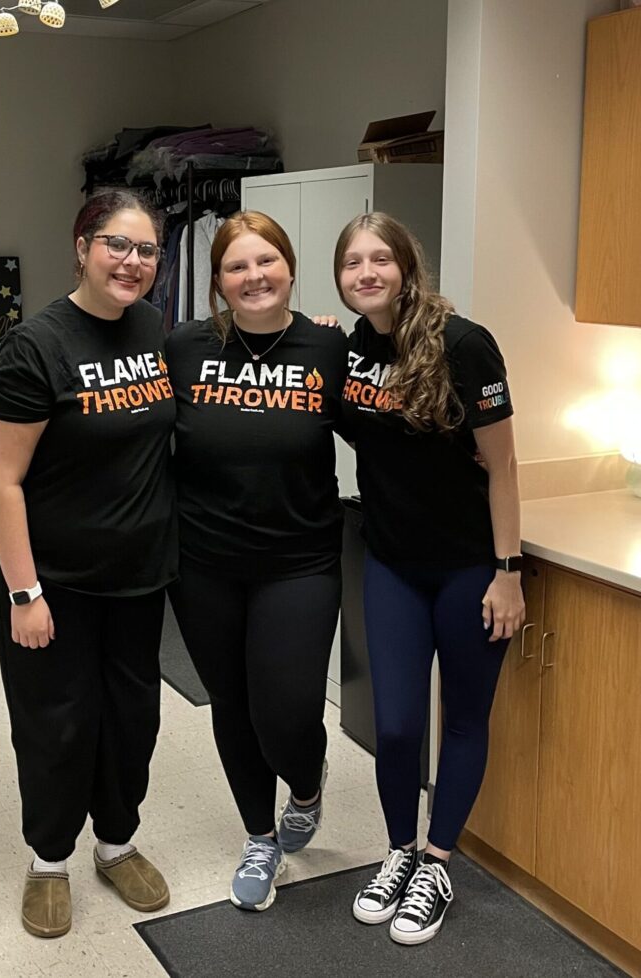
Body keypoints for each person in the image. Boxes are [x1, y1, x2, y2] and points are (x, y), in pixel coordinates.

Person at [0, 190, 176, 938]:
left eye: (147, 250)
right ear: (82, 246)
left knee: (133, 720)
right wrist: (24, 590)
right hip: (51, 580)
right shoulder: (37, 346)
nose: (132, 262)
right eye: (117, 246)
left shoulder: (155, 328)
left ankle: (116, 843)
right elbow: (0, 478)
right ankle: (50, 858)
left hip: (138, 576)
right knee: (56, 723)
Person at [335, 213, 525, 945]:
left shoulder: (464, 344)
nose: (367, 272)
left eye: (381, 258)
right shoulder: (353, 347)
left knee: (465, 719)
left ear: (409, 266)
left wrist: (507, 572)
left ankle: (438, 863)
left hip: (469, 566)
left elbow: (503, 465)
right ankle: (398, 853)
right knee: (397, 723)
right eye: (353, 263)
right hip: (390, 562)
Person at [165, 211, 349, 912]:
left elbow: (392, 417)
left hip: (300, 561)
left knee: (289, 709)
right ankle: (258, 837)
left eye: (266, 260)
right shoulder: (183, 347)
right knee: (233, 706)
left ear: (290, 266)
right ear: (216, 282)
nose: (254, 276)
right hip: (204, 562)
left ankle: (306, 784)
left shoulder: (329, 348)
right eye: (236, 267)